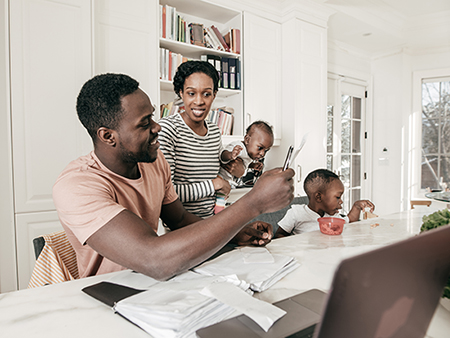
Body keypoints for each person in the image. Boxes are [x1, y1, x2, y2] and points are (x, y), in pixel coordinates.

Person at [52, 73, 295, 280]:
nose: (157, 127)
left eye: (153, 117)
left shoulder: (155, 163)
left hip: (156, 286)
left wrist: (236, 233)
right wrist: (254, 203)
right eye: (144, 123)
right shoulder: (76, 185)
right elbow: (153, 259)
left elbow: (179, 219)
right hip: (109, 294)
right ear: (107, 136)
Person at [158, 61, 244, 218]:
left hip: (214, 222)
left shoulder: (214, 131)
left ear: (214, 95)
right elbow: (165, 193)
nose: (199, 101)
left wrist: (237, 173)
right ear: (180, 92)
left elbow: (222, 179)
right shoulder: (167, 129)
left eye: (206, 94)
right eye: (191, 93)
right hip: (182, 228)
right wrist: (214, 185)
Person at [275, 168, 374, 238]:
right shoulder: (296, 213)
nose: (341, 201)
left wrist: (356, 206)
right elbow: (279, 235)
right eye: (338, 197)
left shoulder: (333, 217)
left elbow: (351, 221)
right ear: (319, 197)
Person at [219, 121, 274, 187]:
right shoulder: (239, 147)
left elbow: (245, 163)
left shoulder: (249, 154)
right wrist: (230, 155)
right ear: (247, 140)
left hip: (230, 183)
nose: (262, 154)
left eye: (266, 150)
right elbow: (222, 155)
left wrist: (253, 165)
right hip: (221, 180)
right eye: (260, 148)